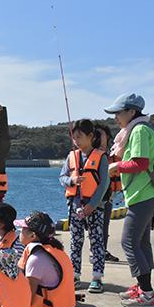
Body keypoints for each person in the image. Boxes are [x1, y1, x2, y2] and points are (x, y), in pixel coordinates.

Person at [105, 93, 154, 307]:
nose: (116, 117)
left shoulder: (138, 131)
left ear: (131, 112)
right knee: (141, 242)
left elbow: (139, 163)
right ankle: (144, 286)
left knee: (128, 241)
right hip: (146, 194)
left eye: (119, 112)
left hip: (142, 195)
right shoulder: (141, 129)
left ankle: (147, 294)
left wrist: (115, 167)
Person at [59, 119, 110, 293]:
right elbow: (62, 178)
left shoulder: (101, 157)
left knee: (96, 241)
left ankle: (97, 277)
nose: (76, 141)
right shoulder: (71, 156)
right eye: (74, 137)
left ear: (90, 136)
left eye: (79, 136)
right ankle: (74, 275)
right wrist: (71, 180)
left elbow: (104, 184)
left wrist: (93, 205)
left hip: (94, 207)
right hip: (74, 206)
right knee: (75, 241)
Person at [15, 212, 76, 307]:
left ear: (33, 235)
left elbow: (28, 295)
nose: (19, 231)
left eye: (23, 229)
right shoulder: (54, 250)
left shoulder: (36, 259)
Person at [93, 123, 121, 262]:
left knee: (104, 226)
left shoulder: (113, 155)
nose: (98, 137)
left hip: (108, 197)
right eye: (95, 134)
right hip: (91, 198)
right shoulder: (88, 155)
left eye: (101, 134)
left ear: (108, 137)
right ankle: (97, 252)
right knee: (94, 227)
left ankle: (101, 251)